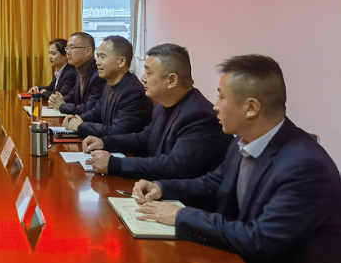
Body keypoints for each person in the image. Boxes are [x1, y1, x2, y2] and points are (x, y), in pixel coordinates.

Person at [133, 55, 341, 263]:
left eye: (222, 97)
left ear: (251, 108)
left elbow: (260, 239)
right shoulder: (242, 141)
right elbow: (212, 184)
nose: (215, 106)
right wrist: (161, 188)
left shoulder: (306, 167)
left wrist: (181, 216)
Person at [82, 43, 231, 179]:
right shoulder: (162, 104)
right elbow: (144, 138)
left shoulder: (200, 116)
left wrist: (115, 164)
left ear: (172, 80)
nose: (143, 78)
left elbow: (175, 166)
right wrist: (104, 142)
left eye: (148, 73)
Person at [63, 35, 152, 137]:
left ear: (121, 62)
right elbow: (97, 111)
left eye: (103, 57)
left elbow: (116, 131)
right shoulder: (108, 84)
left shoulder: (133, 92)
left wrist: (81, 126)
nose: (97, 62)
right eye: (97, 56)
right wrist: (79, 119)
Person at [48, 32, 106, 115]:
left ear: (88, 51)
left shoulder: (99, 75)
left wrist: (61, 105)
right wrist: (56, 99)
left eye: (72, 47)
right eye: (67, 48)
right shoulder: (80, 71)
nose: (68, 52)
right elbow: (73, 95)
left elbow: (90, 108)